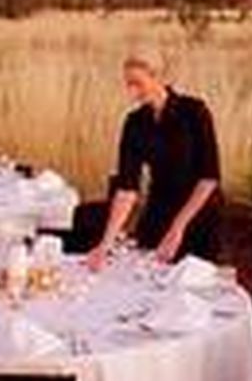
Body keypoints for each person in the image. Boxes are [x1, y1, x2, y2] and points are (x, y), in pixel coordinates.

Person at [86, 55, 221, 269]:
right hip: (158, 214)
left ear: (158, 77)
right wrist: (105, 243)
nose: (132, 92)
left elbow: (209, 178)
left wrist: (177, 228)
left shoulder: (194, 112)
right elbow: (127, 187)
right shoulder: (134, 122)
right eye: (128, 85)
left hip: (197, 216)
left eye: (137, 84)